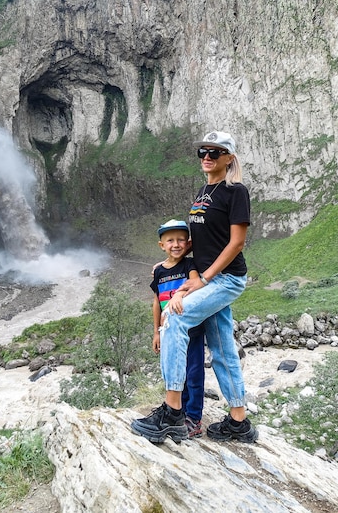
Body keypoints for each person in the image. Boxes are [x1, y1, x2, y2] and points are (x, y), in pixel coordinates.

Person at [131, 130, 258, 444]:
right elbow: (202, 238)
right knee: (222, 349)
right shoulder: (204, 192)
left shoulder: (235, 191)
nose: (207, 157)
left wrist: (204, 279)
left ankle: (173, 413)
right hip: (209, 278)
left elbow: (236, 242)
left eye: (215, 152)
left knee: (174, 319)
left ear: (229, 158)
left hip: (225, 279)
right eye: (203, 151)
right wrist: (173, 260)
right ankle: (238, 422)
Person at [151, 219, 204, 438]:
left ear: (188, 243)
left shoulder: (189, 265)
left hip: (191, 330)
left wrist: (181, 293)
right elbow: (156, 302)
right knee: (174, 371)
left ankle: (194, 418)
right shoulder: (159, 272)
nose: (176, 244)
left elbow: (195, 283)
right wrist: (156, 331)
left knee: (193, 373)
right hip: (168, 332)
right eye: (170, 240)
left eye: (181, 240)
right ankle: (176, 412)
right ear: (161, 245)